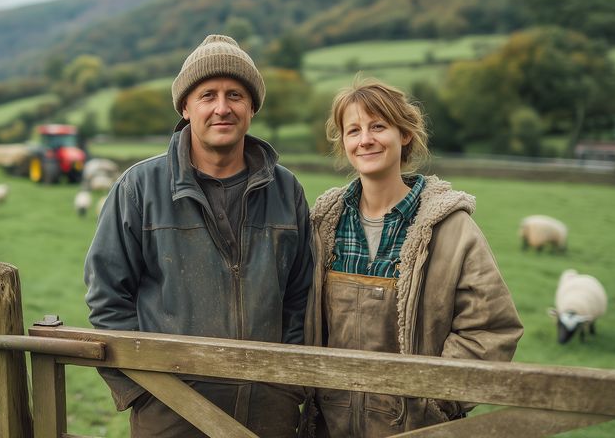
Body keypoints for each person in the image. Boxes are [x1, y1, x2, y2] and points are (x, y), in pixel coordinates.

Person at [85, 34, 313, 437]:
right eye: (207, 95)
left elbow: (300, 296)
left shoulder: (286, 189)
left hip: (268, 414)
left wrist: (287, 385)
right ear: (186, 108)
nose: (222, 108)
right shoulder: (139, 187)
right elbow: (107, 297)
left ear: (252, 108)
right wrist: (144, 391)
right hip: (170, 414)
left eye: (235, 95)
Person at [303, 77, 523, 437]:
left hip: (420, 430)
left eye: (378, 126)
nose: (365, 139)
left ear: (404, 134)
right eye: (353, 130)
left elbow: (492, 329)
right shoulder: (323, 224)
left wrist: (436, 400)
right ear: (343, 142)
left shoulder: (450, 228)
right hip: (332, 427)